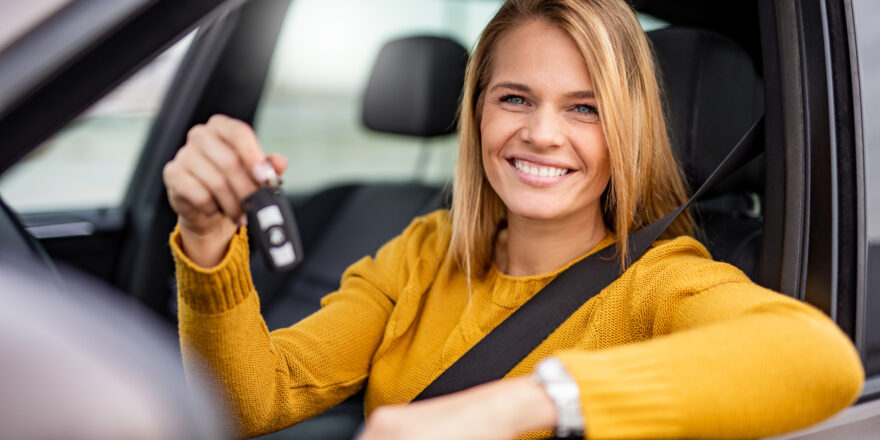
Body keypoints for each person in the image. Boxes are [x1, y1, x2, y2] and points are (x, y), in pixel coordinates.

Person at [162, 0, 865, 438]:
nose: (542, 134)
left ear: (629, 133)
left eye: (584, 108)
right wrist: (206, 239)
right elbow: (251, 403)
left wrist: (511, 407)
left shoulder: (659, 284)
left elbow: (820, 360)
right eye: (515, 99)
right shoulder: (422, 254)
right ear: (476, 114)